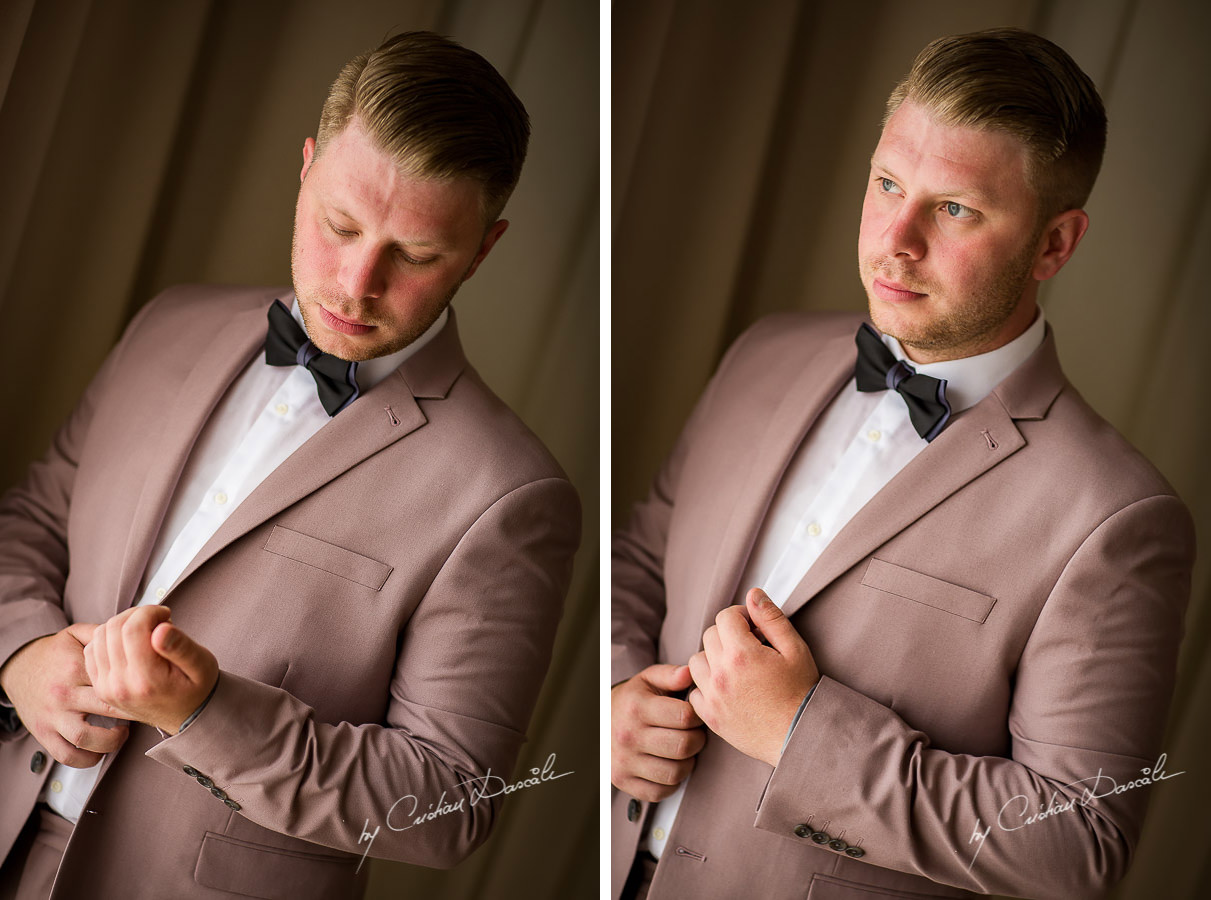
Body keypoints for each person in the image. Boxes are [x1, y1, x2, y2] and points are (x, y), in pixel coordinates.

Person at [611, 26, 1194, 900]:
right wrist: (616, 694)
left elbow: (1077, 840)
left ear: (1053, 245)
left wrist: (803, 735)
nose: (895, 238)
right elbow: (643, 560)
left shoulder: (1115, 516)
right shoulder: (761, 354)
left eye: (954, 208)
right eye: (886, 184)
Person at [0, 31, 579, 900]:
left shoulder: (509, 493)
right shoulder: (169, 325)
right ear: (305, 168)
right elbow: (32, 526)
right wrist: (22, 655)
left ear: (483, 249)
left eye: (416, 256)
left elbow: (452, 803)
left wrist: (205, 715)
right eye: (339, 225)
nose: (355, 282)